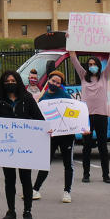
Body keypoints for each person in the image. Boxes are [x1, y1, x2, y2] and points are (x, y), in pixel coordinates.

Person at [0, 71, 44, 219]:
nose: (10, 83)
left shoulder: (27, 99)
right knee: (9, 179)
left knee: (26, 179)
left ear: (18, 82)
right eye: (7, 81)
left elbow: (39, 119)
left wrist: (46, 131)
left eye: (13, 80)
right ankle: (11, 210)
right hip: (6, 148)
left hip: (24, 147)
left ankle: (27, 211)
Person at [69, 51, 110, 183]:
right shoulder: (83, 76)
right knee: (87, 147)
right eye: (90, 64)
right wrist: (69, 41)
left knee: (103, 147)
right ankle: (86, 174)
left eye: (94, 64)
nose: (92, 66)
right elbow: (74, 59)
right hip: (87, 117)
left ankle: (106, 175)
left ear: (98, 65)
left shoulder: (104, 76)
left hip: (101, 116)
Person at [32, 70, 75, 202]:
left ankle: (67, 192)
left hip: (66, 135)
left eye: (58, 83)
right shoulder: (44, 97)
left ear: (61, 85)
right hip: (51, 135)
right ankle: (35, 190)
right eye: (53, 81)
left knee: (68, 164)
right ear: (48, 81)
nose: (55, 84)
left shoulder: (66, 96)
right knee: (45, 162)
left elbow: (73, 113)